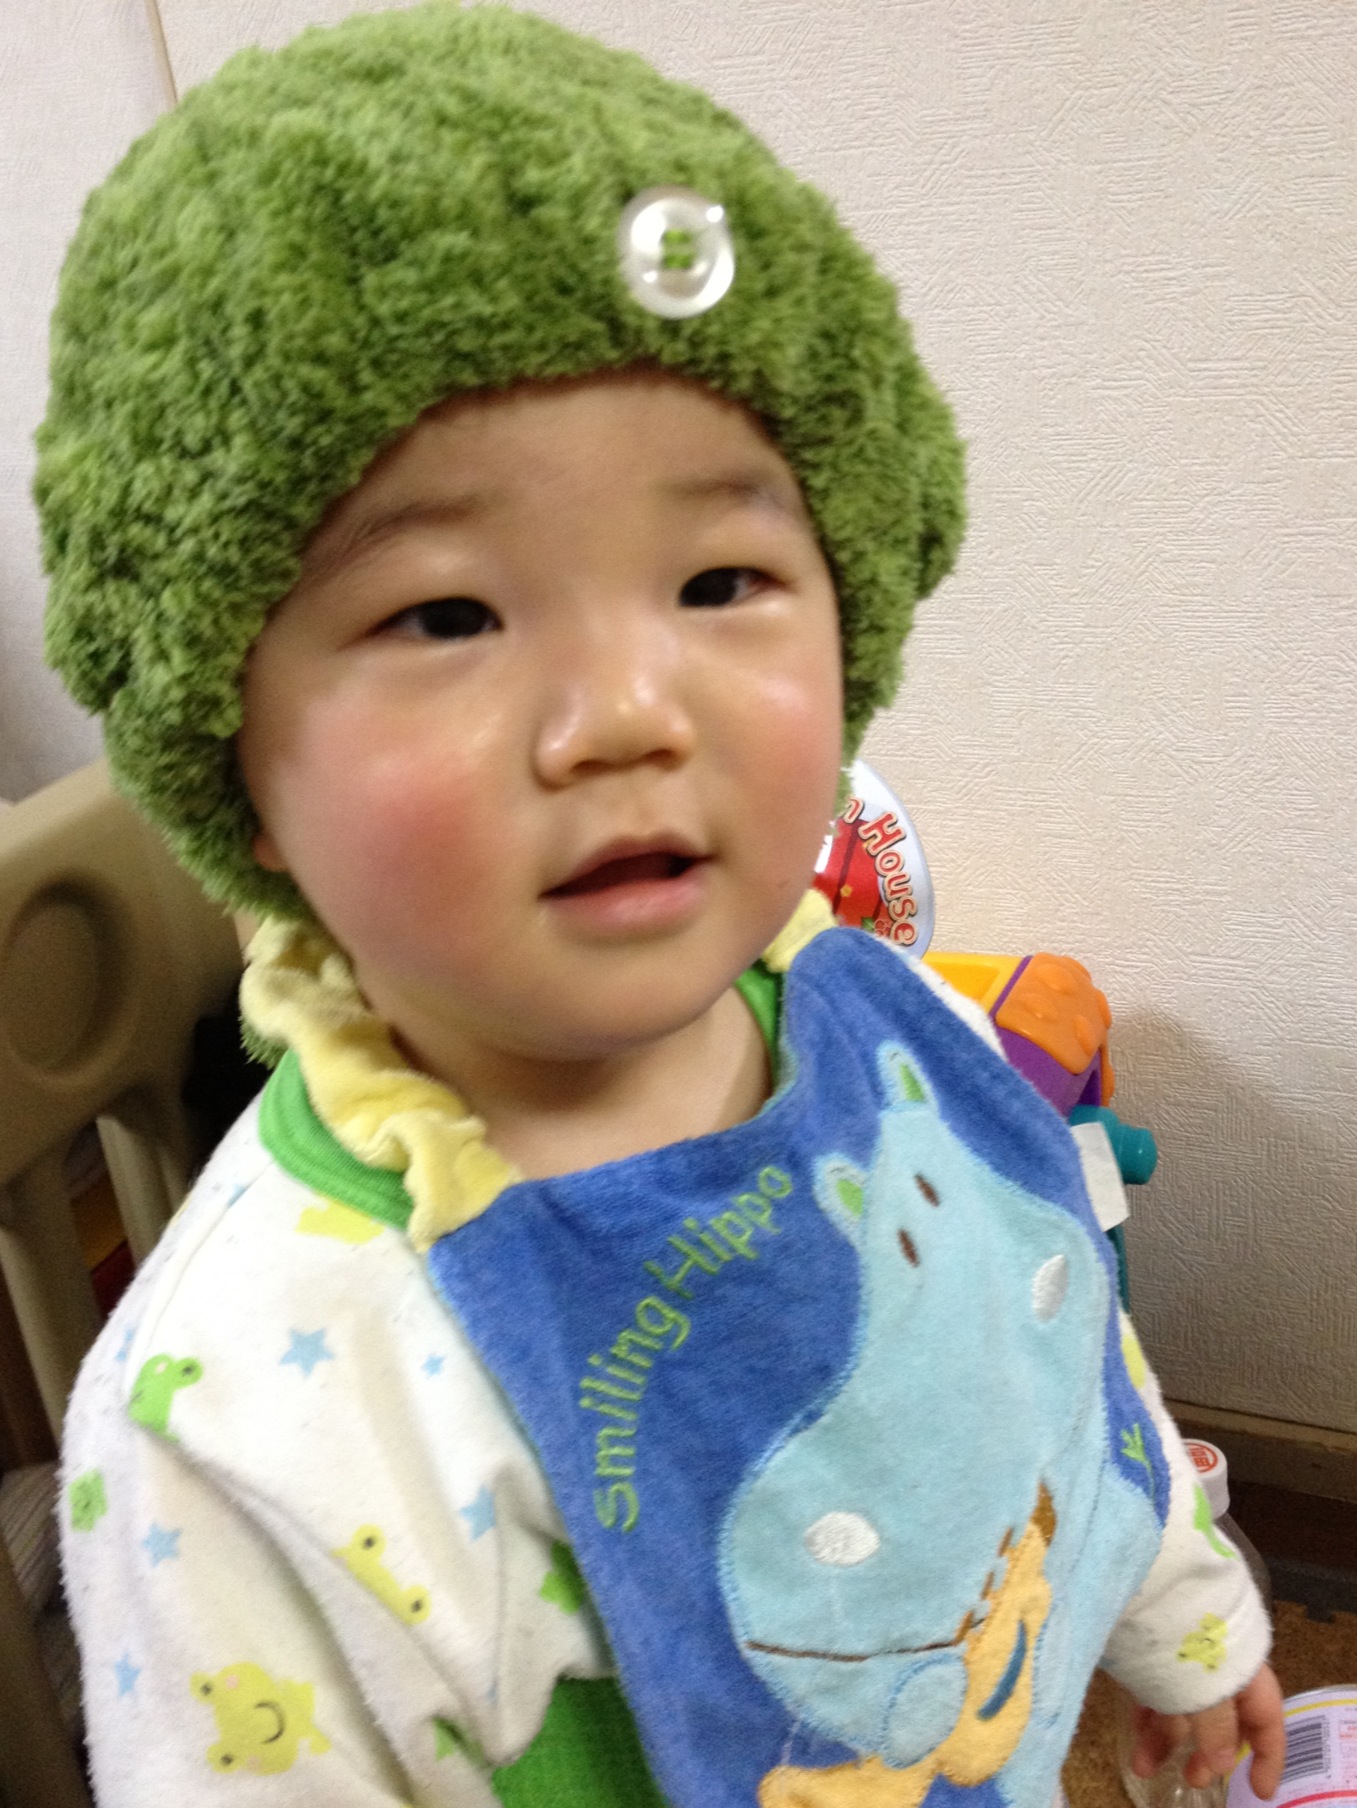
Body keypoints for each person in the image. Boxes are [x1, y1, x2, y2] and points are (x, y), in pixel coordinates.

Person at [38, 8, 1284, 1806]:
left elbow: (1045, 1338)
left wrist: (1178, 1618)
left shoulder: (899, 1030)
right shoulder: (241, 1429)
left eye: (718, 577)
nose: (630, 709)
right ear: (231, 751)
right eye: (446, 615)